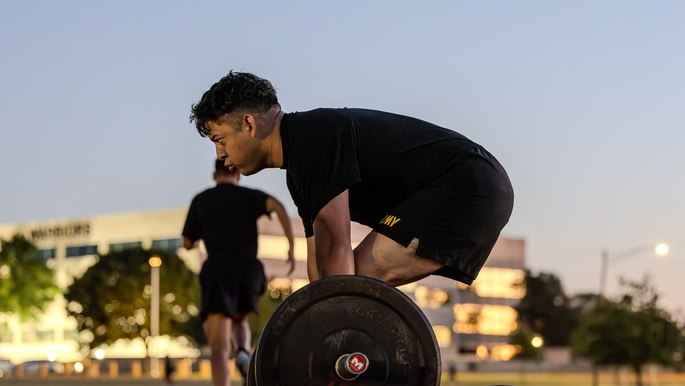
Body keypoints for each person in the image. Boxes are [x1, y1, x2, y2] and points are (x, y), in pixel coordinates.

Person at [189, 71, 514, 288]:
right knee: (341, 287)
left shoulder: (310, 139)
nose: (220, 155)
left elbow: (336, 251)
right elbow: (319, 267)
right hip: (471, 181)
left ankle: (363, 373)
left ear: (248, 125)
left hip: (468, 183)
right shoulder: (300, 161)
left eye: (219, 139)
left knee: (350, 282)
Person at [182, 159, 296, 386]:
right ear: (238, 175)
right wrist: (290, 245)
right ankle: (244, 352)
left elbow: (188, 242)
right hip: (249, 270)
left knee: (219, 346)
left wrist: (198, 237)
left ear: (214, 174)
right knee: (240, 318)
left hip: (218, 270)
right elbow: (277, 205)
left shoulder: (201, 200)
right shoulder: (250, 196)